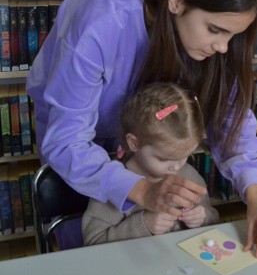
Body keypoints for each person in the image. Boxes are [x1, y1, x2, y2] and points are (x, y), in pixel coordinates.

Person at [26, 0, 257, 257]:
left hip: (141, 158)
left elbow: (233, 122)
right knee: (96, 256)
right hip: (80, 159)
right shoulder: (103, 16)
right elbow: (66, 142)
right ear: (177, 1)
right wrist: (144, 190)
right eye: (215, 30)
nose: (223, 47)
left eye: (234, 35)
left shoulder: (210, 47)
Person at [82, 83, 220, 245]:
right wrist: (144, 224)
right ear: (134, 143)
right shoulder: (111, 183)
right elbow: (93, 242)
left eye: (185, 156)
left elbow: (213, 218)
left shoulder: (188, 174)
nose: (176, 167)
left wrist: (202, 218)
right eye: (163, 159)